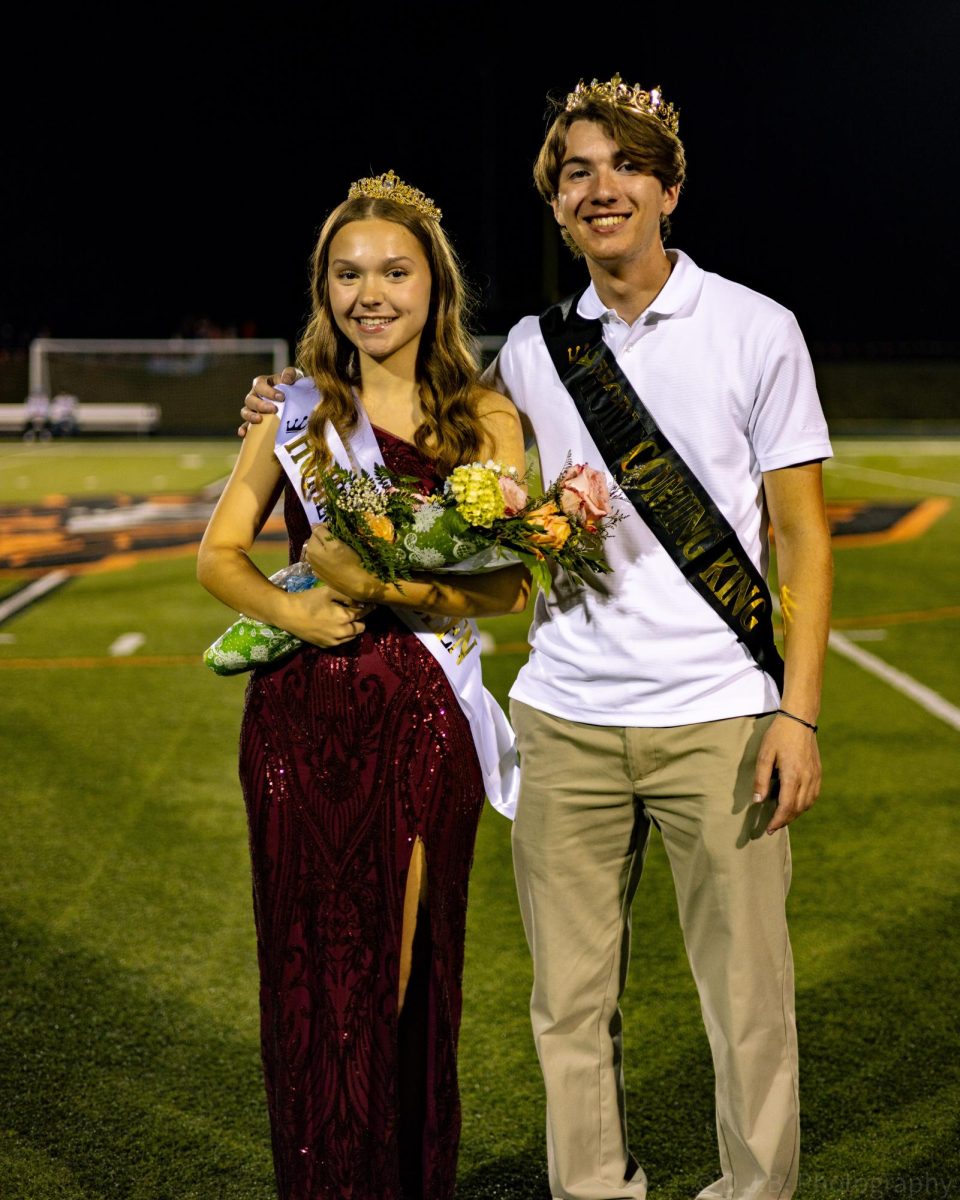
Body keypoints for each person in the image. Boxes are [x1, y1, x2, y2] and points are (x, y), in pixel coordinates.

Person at [241, 76, 833, 1200]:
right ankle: (594, 1191)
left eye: (625, 167)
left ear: (668, 186)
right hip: (563, 719)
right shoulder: (524, 355)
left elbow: (802, 537)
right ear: (556, 205)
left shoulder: (758, 328)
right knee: (567, 1003)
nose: (601, 188)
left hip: (720, 714)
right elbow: (426, 437)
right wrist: (283, 413)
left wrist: (796, 712)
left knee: (747, 1000)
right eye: (576, 172)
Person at [199, 171, 528, 1200]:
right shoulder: (296, 409)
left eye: (394, 270)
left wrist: (375, 578)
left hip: (423, 719)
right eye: (348, 274)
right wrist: (295, 610)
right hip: (298, 720)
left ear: (437, 285)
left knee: (396, 972)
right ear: (323, 287)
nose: (369, 292)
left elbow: (508, 587)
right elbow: (219, 554)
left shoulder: (482, 415)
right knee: (309, 975)